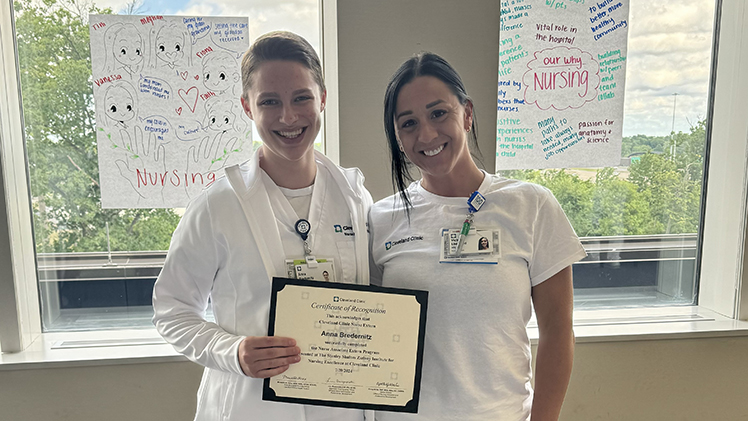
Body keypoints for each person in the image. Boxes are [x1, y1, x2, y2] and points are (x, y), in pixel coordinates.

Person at [153, 31, 373, 421]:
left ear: (322, 97)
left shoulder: (355, 199)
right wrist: (232, 352)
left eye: (301, 97)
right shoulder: (217, 206)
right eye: (269, 101)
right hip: (250, 407)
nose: (288, 117)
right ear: (246, 107)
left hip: (341, 407)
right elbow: (172, 310)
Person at [369, 52, 587, 421]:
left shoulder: (530, 206)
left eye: (439, 113)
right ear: (397, 135)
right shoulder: (380, 219)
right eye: (408, 123)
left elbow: (557, 331)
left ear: (467, 113)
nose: (426, 134)